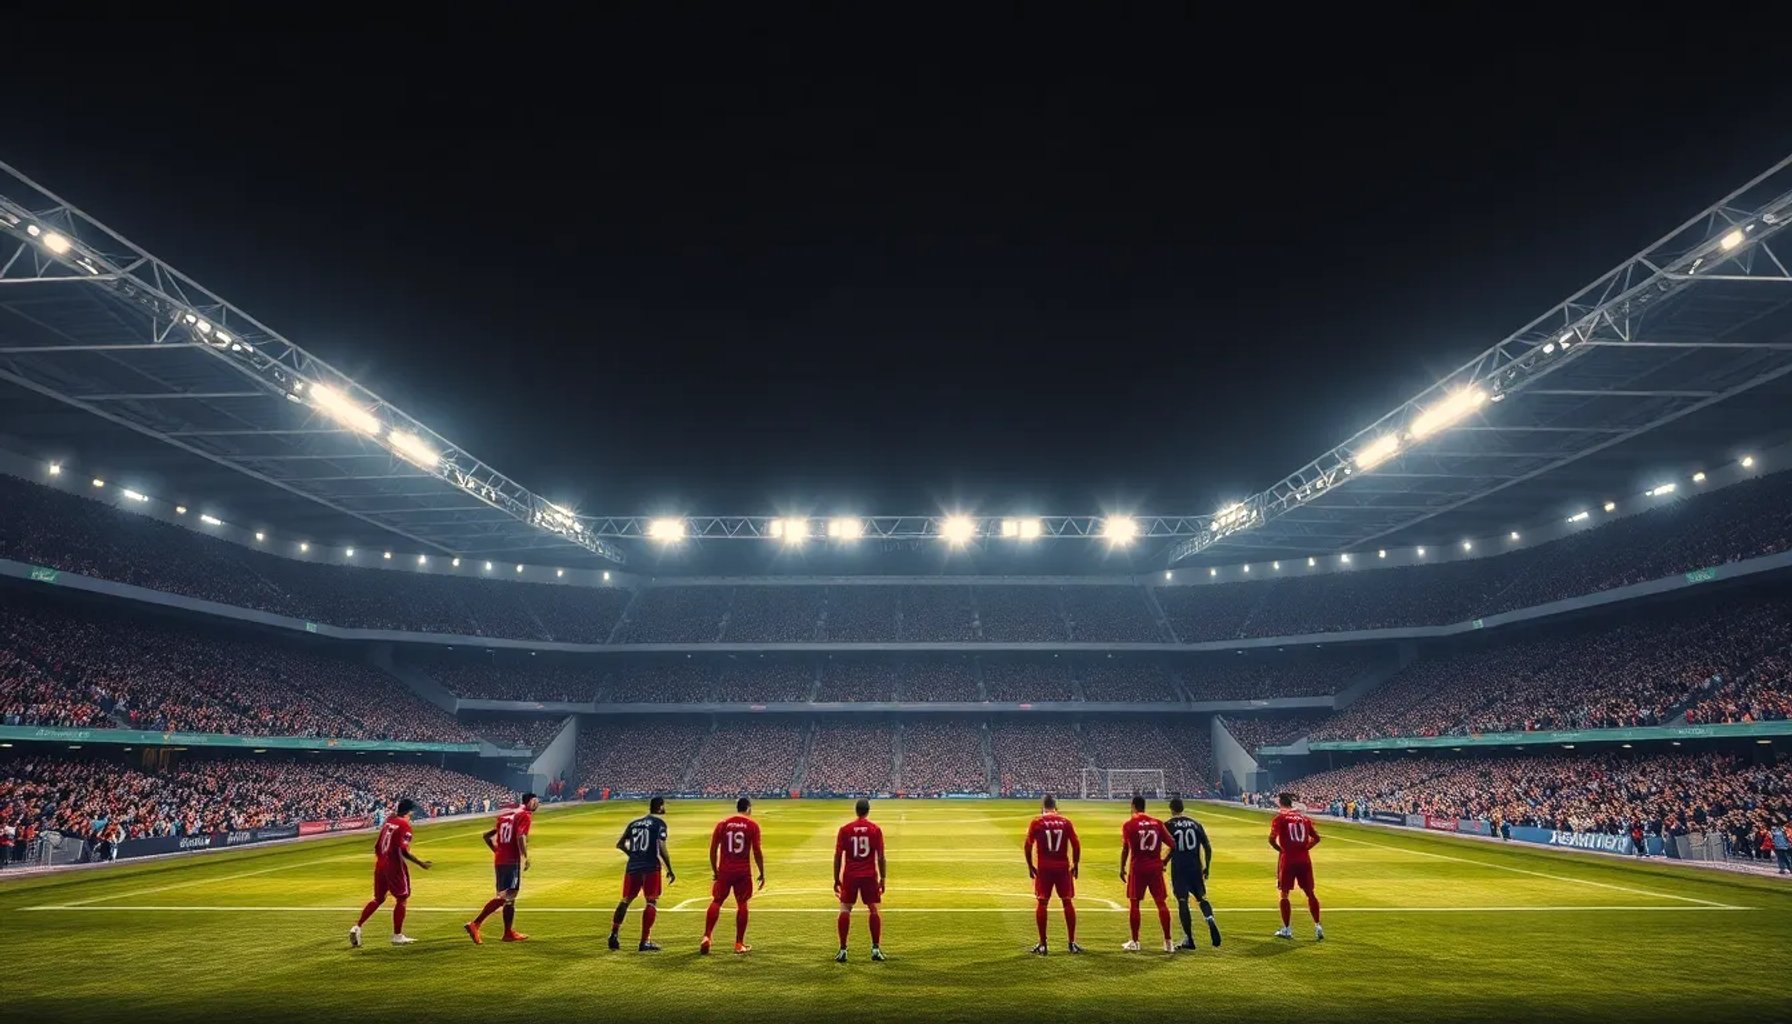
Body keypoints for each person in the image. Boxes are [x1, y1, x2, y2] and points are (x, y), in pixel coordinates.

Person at [350, 798, 431, 948]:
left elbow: (377, 846)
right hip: (394, 866)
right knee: (402, 899)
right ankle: (397, 935)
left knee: (378, 898)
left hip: (380, 864)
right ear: (410, 811)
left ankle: (357, 926)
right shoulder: (404, 825)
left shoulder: (389, 822)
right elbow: (403, 850)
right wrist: (421, 863)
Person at [465, 792, 540, 944]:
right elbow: (520, 836)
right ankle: (476, 924)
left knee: (509, 899)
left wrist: (497, 851)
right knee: (507, 896)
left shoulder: (508, 816)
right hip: (511, 861)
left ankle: (507, 933)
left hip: (500, 860)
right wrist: (525, 856)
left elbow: (487, 836)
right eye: (535, 801)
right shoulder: (524, 815)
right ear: (529, 801)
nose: (537, 804)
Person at [610, 797, 675, 952]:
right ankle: (645, 941)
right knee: (651, 901)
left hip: (633, 866)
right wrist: (670, 869)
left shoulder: (634, 824)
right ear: (659, 807)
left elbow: (620, 844)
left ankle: (613, 934)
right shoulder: (659, 824)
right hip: (651, 866)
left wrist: (633, 854)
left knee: (625, 900)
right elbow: (661, 847)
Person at [702, 797, 766, 955]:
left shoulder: (723, 824)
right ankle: (739, 944)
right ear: (749, 808)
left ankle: (707, 936)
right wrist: (762, 872)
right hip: (743, 871)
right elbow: (757, 851)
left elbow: (712, 849)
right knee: (742, 903)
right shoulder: (752, 825)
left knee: (717, 901)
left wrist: (715, 870)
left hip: (725, 870)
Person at [1023, 795, 1082, 955]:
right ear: (1056, 808)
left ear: (1043, 808)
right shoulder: (1065, 822)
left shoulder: (1037, 822)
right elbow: (1076, 844)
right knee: (1067, 902)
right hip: (1062, 867)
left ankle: (1043, 944)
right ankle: (1071, 943)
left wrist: (1030, 865)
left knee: (1042, 903)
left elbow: (1028, 846)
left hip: (1044, 867)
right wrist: (1075, 864)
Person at [1118, 794, 1174, 953]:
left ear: (1133, 806)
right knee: (1161, 903)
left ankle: (1135, 942)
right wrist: (1164, 861)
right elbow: (1173, 844)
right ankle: (1168, 942)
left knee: (1135, 904)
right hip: (1155, 867)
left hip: (1138, 868)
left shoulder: (1129, 825)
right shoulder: (1157, 823)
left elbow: (1125, 848)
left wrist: (1122, 868)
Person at [833, 798, 887, 963]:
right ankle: (875, 948)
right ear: (868, 810)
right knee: (873, 910)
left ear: (856, 811)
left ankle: (843, 950)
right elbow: (881, 857)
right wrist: (883, 877)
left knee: (845, 909)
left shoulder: (845, 829)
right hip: (869, 875)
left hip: (850, 875)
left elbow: (837, 856)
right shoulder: (875, 830)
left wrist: (836, 878)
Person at [1165, 797, 1222, 950]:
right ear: (1182, 808)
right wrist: (1207, 867)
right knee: (1202, 898)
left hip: (1179, 868)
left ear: (1171, 809)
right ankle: (1209, 919)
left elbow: (1173, 846)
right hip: (1195, 866)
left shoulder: (1169, 825)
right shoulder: (1196, 824)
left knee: (1182, 901)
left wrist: (1163, 862)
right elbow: (1208, 847)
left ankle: (1189, 939)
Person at [1269, 792, 1323, 940]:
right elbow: (1317, 838)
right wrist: (1305, 848)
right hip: (1304, 859)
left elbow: (1271, 839)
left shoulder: (1280, 819)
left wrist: (1281, 850)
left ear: (1280, 803)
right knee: (1310, 893)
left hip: (1288, 859)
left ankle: (1287, 929)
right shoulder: (1305, 819)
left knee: (1284, 893)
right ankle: (1318, 926)